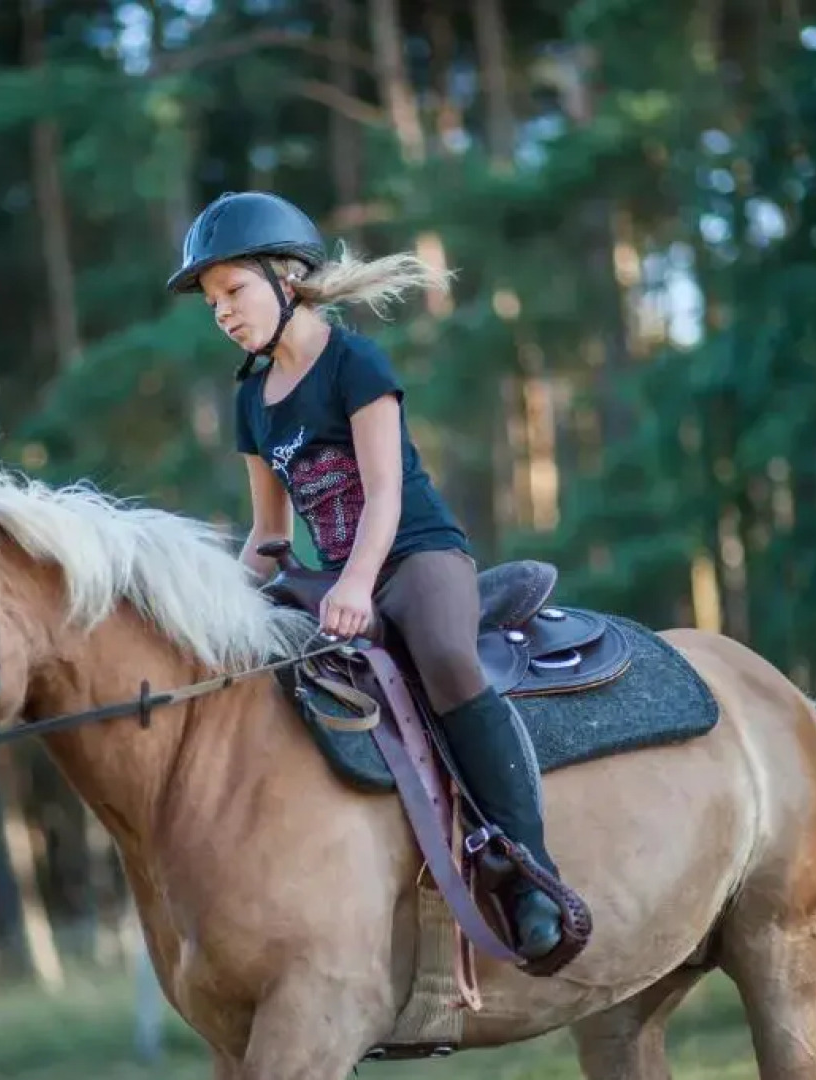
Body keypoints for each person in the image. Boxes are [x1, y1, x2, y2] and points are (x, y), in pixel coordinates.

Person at [166, 190, 574, 965]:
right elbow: (269, 534)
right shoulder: (251, 400)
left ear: (287, 278)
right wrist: (215, 612)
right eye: (212, 301)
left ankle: (531, 872)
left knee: (447, 660)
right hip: (335, 579)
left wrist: (356, 586)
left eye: (234, 290)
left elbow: (384, 494)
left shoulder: (355, 364)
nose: (221, 312)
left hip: (417, 557)